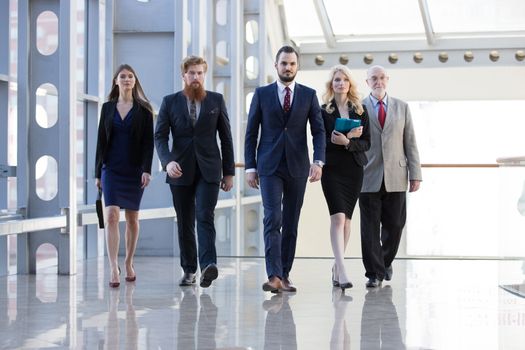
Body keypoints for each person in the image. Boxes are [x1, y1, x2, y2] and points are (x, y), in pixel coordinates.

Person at [244, 45, 326, 293]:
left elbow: (319, 131)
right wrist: (250, 166)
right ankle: (274, 275)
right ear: (276, 66)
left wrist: (318, 161)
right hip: (269, 166)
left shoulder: (309, 95)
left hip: (298, 166)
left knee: (291, 221)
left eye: (291, 63)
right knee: (273, 218)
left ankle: (286, 274)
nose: (287, 67)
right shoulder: (261, 94)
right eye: (283, 63)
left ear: (297, 66)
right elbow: (251, 133)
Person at [154, 55, 235, 289]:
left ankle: (208, 264)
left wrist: (228, 172)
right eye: (191, 73)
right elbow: (160, 136)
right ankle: (189, 269)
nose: (196, 77)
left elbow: (226, 138)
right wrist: (167, 161)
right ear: (184, 76)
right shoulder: (170, 102)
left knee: (204, 216)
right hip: (179, 170)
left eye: (200, 73)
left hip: (209, 170)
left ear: (204, 75)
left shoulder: (216, 101)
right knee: (185, 221)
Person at [360, 65, 422, 288]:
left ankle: (384, 262)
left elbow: (410, 142)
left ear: (388, 80)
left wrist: (415, 174)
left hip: (396, 174)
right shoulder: (358, 107)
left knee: (395, 224)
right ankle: (374, 273)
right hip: (367, 175)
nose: (378, 82)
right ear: (367, 82)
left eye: (382, 78)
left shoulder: (402, 107)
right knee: (369, 228)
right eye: (373, 79)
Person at [95, 64, 154, 288]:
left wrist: (147, 169)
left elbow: (149, 143)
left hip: (134, 170)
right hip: (110, 169)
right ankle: (113, 266)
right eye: (123, 76)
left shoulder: (144, 109)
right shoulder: (107, 108)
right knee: (111, 216)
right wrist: (97, 172)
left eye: (130, 76)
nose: (127, 79)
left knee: (132, 219)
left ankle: (128, 262)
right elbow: (101, 141)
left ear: (135, 81)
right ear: (116, 82)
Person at [320, 65, 370, 291]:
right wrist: (337, 140)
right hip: (331, 170)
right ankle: (342, 269)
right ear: (332, 84)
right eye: (337, 80)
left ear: (350, 84)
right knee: (338, 219)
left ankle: (335, 267)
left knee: (348, 220)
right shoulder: (323, 111)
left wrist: (348, 141)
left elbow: (366, 143)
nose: (340, 83)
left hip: (353, 169)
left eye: (344, 80)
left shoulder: (360, 110)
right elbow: (321, 139)